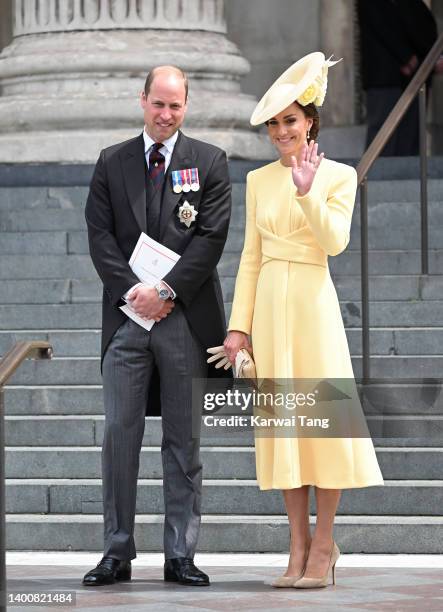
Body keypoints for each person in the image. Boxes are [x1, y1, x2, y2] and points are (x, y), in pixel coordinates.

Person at [223, 52, 384, 589]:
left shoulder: (337, 175)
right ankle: (294, 545)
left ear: (310, 120)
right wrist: (237, 327)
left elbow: (335, 242)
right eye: (274, 123)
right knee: (285, 429)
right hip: (269, 308)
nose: (280, 132)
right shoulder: (255, 180)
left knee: (322, 428)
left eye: (290, 120)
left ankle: (323, 545)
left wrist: (307, 189)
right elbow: (249, 256)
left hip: (314, 308)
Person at [83, 65, 231, 587]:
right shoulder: (111, 162)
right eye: (158, 104)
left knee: (183, 442)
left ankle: (180, 554)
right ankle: (116, 550)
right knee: (119, 437)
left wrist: (165, 291)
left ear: (186, 106)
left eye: (176, 106)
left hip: (184, 321)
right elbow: (100, 236)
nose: (166, 114)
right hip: (127, 321)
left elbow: (211, 239)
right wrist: (134, 292)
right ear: (141, 100)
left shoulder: (210, 161)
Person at [357, 0, 438, 156]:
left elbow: (418, 23)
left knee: (409, 136)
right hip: (385, 77)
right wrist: (406, 57)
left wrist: (431, 57)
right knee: (383, 134)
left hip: (413, 76)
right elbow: (383, 25)